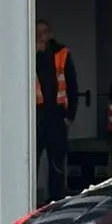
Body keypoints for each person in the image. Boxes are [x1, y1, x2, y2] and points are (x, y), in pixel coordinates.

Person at [35, 19, 78, 202]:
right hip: (34, 117)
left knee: (57, 162)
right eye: (37, 32)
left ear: (50, 33)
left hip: (56, 115)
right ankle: (28, 199)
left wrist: (70, 115)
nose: (40, 36)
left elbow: (72, 85)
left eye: (43, 32)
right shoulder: (25, 52)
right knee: (30, 160)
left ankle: (55, 199)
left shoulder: (62, 53)